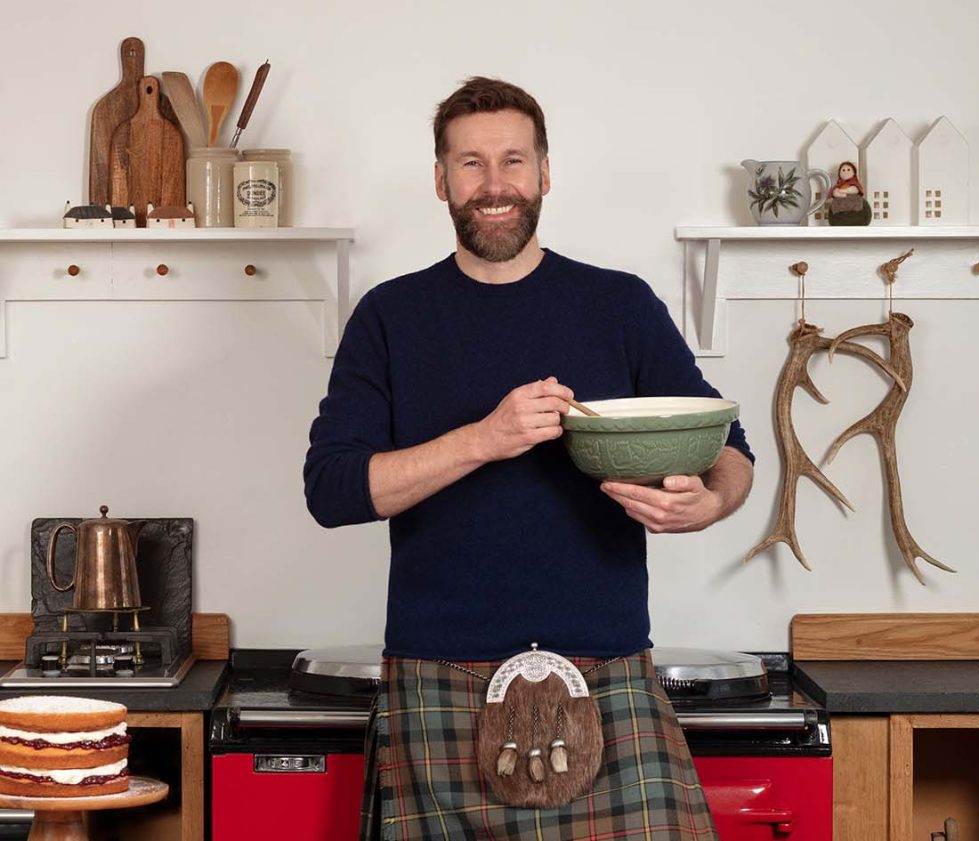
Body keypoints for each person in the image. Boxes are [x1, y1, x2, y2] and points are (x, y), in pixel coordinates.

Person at [304, 76, 754, 841]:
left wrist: (709, 501)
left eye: (513, 160)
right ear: (441, 180)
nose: (494, 184)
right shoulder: (390, 315)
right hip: (438, 673)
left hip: (608, 667)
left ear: (545, 172)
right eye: (471, 163)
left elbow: (730, 452)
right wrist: (485, 437)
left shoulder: (619, 304)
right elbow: (332, 488)